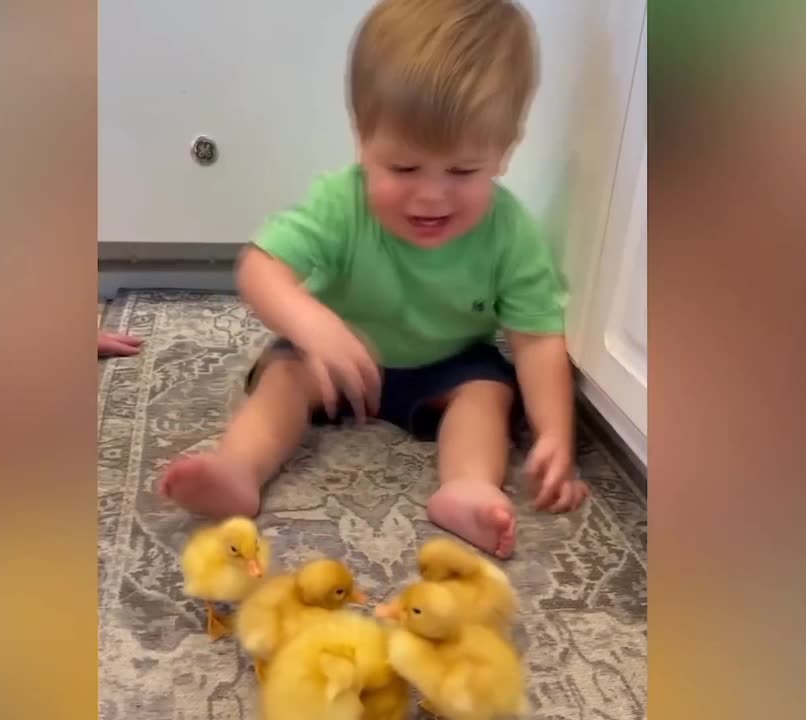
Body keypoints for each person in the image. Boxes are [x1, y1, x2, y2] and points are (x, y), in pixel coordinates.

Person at [159, 0, 588, 558]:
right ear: (363, 141)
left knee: (487, 395)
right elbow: (260, 267)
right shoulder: (342, 202)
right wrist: (313, 324)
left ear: (504, 153)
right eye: (404, 168)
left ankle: (467, 487)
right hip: (336, 355)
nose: (431, 195)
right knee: (284, 377)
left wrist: (556, 433)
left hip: (448, 365)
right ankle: (238, 469)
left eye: (462, 171)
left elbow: (537, 339)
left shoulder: (511, 232)